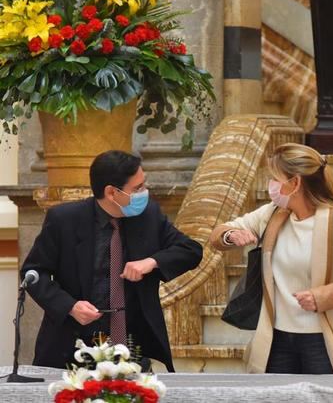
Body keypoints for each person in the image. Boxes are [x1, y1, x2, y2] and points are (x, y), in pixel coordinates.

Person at [21, 150, 203, 372]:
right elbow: (33, 273)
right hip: (72, 349)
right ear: (111, 192)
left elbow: (191, 250)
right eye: (137, 189)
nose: (144, 193)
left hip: (132, 350)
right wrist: (69, 306)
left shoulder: (148, 216)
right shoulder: (64, 220)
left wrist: (151, 262)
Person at [210, 143, 333, 374]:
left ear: (295, 183)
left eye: (275, 178)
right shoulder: (273, 214)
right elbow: (218, 234)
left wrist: (322, 296)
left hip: (323, 340)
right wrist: (231, 235)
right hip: (276, 339)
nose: (271, 185)